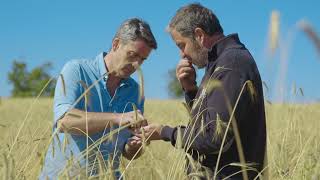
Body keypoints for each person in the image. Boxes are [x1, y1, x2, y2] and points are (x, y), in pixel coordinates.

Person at [135, 3, 266, 180]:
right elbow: (207, 123)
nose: (182, 54)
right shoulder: (219, 64)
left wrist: (165, 132)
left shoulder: (232, 64)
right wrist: (190, 90)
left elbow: (213, 137)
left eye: (182, 45)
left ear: (199, 35)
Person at [39, 18, 157, 179]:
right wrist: (118, 118)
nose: (136, 64)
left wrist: (134, 146)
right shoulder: (77, 70)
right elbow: (64, 121)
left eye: (142, 60)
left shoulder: (136, 91)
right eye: (132, 55)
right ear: (116, 44)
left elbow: (128, 152)